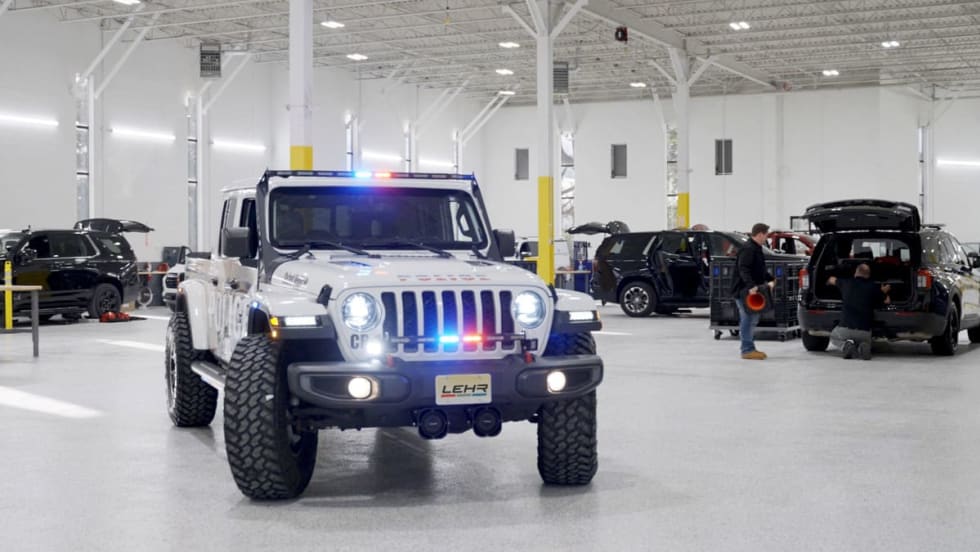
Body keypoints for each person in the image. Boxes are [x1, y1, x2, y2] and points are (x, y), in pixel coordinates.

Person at [827, 263, 891, 360]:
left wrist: (828, 282)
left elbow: (831, 279)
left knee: (833, 337)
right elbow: (887, 301)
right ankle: (864, 346)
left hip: (845, 329)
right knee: (865, 340)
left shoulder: (846, 283)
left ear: (855, 273)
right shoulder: (873, 287)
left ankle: (846, 346)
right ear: (868, 275)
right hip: (865, 332)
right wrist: (883, 291)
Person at [732, 223, 775, 360]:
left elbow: (759, 269)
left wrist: (771, 278)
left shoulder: (756, 248)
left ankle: (750, 348)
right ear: (760, 234)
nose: (766, 238)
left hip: (751, 289)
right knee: (748, 319)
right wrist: (751, 286)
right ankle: (747, 350)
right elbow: (743, 268)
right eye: (766, 235)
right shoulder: (749, 249)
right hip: (744, 291)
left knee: (752, 318)